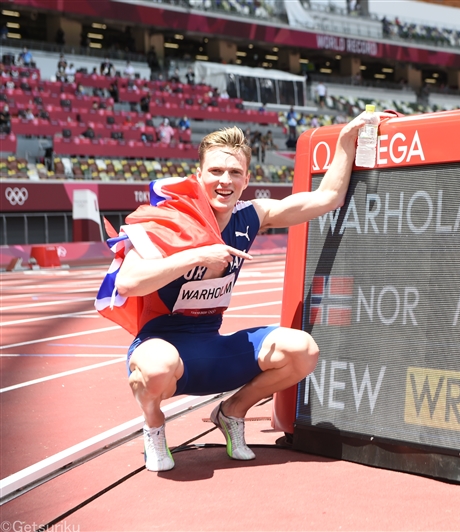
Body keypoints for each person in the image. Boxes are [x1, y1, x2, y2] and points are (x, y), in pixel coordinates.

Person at [99, 111, 390, 472]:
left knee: (302, 351)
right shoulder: (171, 220)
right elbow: (128, 281)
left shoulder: (252, 215)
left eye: (235, 173)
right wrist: (197, 256)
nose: (225, 180)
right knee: (156, 369)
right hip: (164, 345)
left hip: (213, 346)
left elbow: (328, 198)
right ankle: (154, 425)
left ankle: (232, 412)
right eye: (216, 172)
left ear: (247, 178)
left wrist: (347, 138)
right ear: (199, 175)